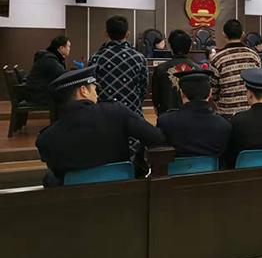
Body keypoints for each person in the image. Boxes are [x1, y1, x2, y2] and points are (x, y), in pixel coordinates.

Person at [36, 66, 165, 186]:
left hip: (76, 199)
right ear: (83, 91)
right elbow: (157, 137)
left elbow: (56, 170)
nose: (97, 94)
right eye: (94, 88)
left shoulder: (46, 138)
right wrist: (139, 159)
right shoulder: (115, 112)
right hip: (121, 190)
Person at [157, 69, 231, 158]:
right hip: (212, 166)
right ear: (210, 93)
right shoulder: (224, 125)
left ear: (181, 93)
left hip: (176, 167)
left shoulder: (165, 121)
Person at [90, 15, 148, 116]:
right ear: (128, 33)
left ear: (106, 33)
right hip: (132, 113)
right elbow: (143, 88)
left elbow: (91, 88)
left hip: (103, 114)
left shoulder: (96, 58)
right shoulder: (139, 58)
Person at [211, 19, 261, 118]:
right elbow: (258, 84)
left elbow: (213, 92)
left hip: (226, 115)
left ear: (224, 35)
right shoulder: (254, 56)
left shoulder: (217, 59)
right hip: (250, 113)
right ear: (242, 34)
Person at [151, 30, 200, 115]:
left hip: (167, 117)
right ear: (190, 47)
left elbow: (156, 98)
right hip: (192, 117)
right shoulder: (198, 69)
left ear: (171, 48)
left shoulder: (160, 69)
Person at [25, 35, 70, 105]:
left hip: (37, 93)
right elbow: (62, 75)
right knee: (71, 95)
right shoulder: (49, 59)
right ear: (61, 48)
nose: (69, 49)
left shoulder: (49, 57)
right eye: (68, 46)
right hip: (39, 96)